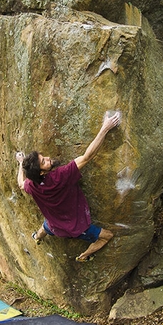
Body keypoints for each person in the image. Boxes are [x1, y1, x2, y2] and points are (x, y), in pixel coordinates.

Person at [16, 111, 121, 262]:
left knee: (47, 227)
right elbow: (87, 156)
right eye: (43, 162)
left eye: (43, 157)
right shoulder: (60, 176)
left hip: (53, 224)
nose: (47, 158)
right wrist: (105, 128)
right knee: (107, 236)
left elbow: (21, 184)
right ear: (40, 172)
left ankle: (37, 237)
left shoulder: (32, 185)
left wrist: (20, 164)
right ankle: (84, 256)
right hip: (74, 227)